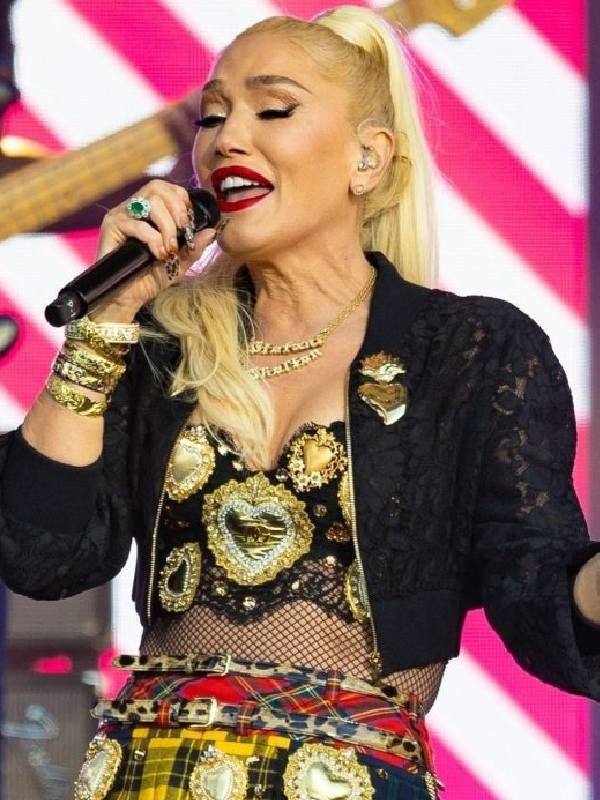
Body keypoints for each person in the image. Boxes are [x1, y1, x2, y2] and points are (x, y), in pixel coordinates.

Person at [0, 6, 599, 799]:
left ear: (367, 158)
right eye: (213, 116)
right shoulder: (161, 347)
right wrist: (104, 325)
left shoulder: (469, 351)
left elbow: (538, 588)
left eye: (273, 110)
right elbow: (42, 554)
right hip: (143, 775)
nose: (227, 139)